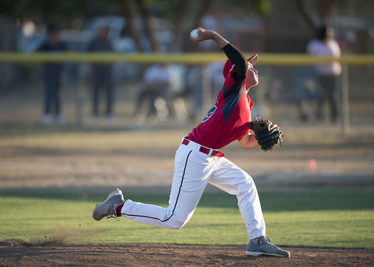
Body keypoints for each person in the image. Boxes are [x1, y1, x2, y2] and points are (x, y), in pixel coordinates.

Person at [93, 27, 290, 258]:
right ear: (241, 73)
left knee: (245, 184)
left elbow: (246, 142)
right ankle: (118, 206)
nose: (255, 70)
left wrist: (260, 139)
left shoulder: (245, 105)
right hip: (195, 155)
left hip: (211, 157)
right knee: (174, 219)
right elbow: (239, 62)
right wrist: (214, 36)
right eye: (250, 68)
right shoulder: (234, 91)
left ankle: (257, 240)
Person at [307, 25, 341, 122]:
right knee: (320, 95)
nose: (329, 36)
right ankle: (319, 116)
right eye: (327, 34)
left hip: (333, 74)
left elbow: (336, 56)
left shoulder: (333, 44)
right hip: (320, 74)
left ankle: (335, 117)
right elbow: (310, 56)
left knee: (333, 96)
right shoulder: (314, 44)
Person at [37, 24, 67, 125]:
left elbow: (70, 53)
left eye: (56, 35)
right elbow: (35, 53)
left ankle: (58, 115)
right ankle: (46, 115)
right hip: (48, 73)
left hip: (58, 73)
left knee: (57, 95)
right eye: (53, 35)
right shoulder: (45, 45)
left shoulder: (61, 45)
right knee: (48, 94)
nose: (55, 37)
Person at [87, 25, 115, 120]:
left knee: (109, 94)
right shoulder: (93, 42)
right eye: (101, 30)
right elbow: (88, 56)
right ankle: (95, 113)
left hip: (107, 71)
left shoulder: (109, 42)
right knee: (96, 93)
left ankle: (109, 113)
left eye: (104, 31)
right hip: (96, 71)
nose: (102, 32)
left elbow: (113, 55)